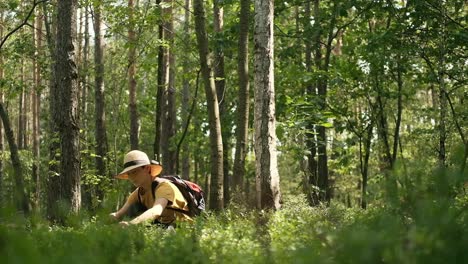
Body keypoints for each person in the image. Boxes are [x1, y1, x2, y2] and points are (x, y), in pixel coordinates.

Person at [110, 150, 193, 228]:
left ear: (147, 169)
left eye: (135, 172)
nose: (132, 177)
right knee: (133, 208)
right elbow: (119, 214)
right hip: (161, 226)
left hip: (182, 229)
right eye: (129, 174)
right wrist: (111, 218)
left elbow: (156, 211)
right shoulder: (138, 193)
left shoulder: (164, 187)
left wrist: (131, 224)